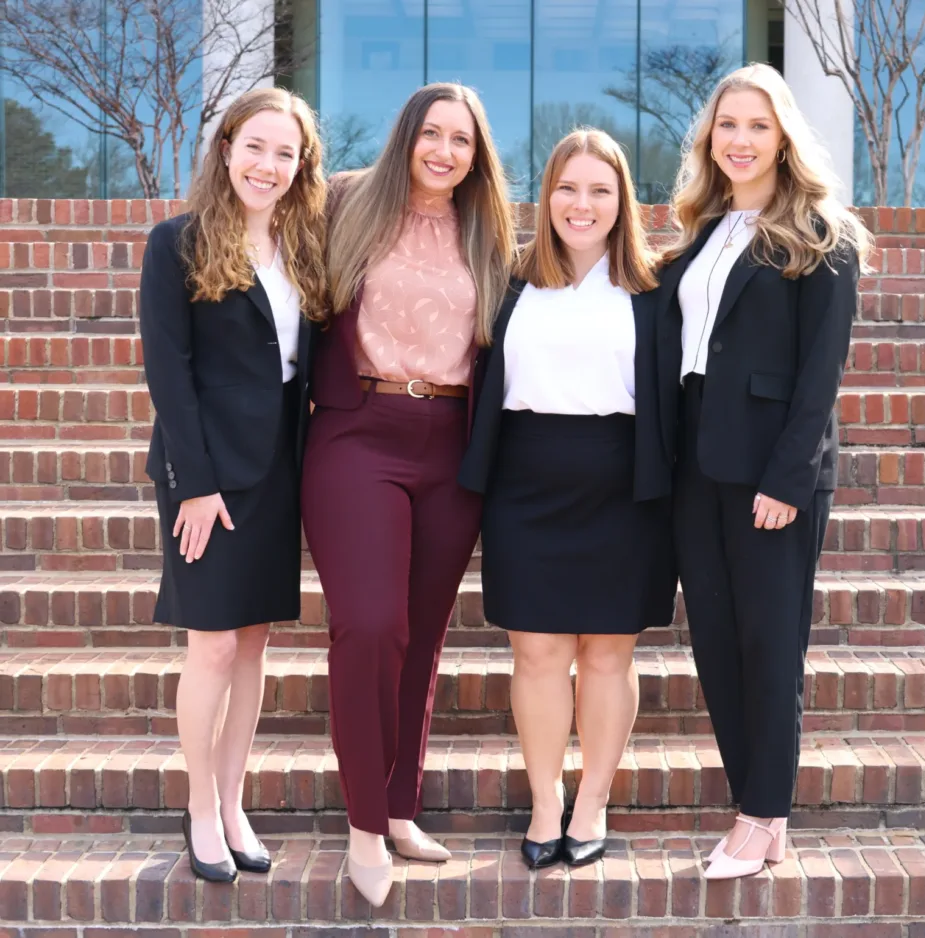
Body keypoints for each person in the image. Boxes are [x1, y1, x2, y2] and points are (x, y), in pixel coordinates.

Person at [300, 83, 516, 907]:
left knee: (421, 638)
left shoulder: (488, 230)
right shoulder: (347, 202)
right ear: (407, 137)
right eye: (432, 133)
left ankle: (397, 808)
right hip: (358, 432)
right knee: (369, 624)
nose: (444, 151)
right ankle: (362, 824)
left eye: (461, 140)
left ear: (476, 155)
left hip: (451, 442)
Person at [657, 63, 873, 879]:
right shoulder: (702, 230)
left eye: (757, 125)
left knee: (769, 643)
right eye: (727, 126)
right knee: (716, 642)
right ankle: (759, 812)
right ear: (710, 139)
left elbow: (821, 374)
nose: (740, 140)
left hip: (770, 474)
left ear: (783, 136)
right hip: (696, 468)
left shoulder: (823, 233)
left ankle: (762, 815)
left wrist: (787, 480)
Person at [460, 129, 677, 870]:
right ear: (545, 195)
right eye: (567, 188)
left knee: (609, 655)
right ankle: (546, 798)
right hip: (527, 483)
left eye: (599, 191)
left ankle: (593, 800)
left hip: (625, 484)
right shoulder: (509, 281)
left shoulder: (655, 291)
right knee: (538, 651)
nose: (581, 205)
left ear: (623, 203)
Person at [139, 88, 326, 882]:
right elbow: (168, 375)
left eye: (286, 153)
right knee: (212, 642)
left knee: (253, 643)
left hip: (280, 467)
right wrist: (195, 484)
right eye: (256, 146)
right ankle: (199, 809)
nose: (269, 165)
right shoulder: (176, 243)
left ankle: (234, 796)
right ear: (226, 149)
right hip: (208, 474)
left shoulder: (306, 247)